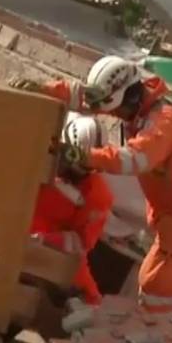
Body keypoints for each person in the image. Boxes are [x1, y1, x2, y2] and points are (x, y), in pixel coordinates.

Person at [11, 56, 172, 319]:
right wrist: (44, 89)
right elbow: (85, 96)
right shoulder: (134, 101)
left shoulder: (166, 121)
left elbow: (135, 158)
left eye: (117, 109)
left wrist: (86, 156)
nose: (113, 115)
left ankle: (161, 332)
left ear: (131, 97)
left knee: (154, 281)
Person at [29, 115, 113, 306]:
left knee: (91, 303)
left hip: (45, 249)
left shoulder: (97, 195)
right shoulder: (35, 153)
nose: (76, 172)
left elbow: (80, 243)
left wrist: (42, 240)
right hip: (4, 232)